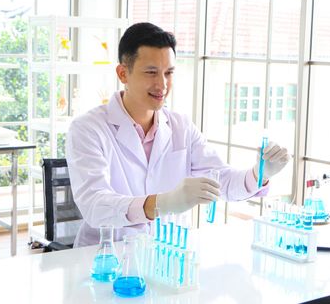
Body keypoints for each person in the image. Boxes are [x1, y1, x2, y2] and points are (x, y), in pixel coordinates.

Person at [66, 22, 290, 247]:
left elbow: (220, 180)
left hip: (164, 257)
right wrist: (162, 203)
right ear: (123, 73)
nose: (162, 84)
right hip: (103, 259)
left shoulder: (181, 126)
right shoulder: (88, 129)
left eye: (169, 72)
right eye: (151, 72)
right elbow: (95, 205)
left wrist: (260, 173)